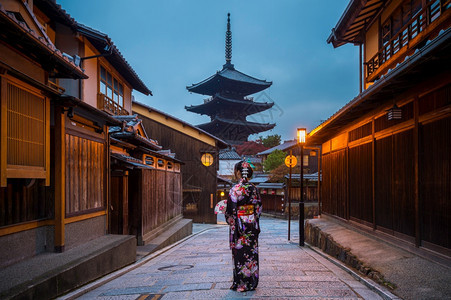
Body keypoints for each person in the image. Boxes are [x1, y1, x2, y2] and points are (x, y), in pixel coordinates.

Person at [225, 160, 262, 292]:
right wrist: (252, 220)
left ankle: (240, 283)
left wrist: (231, 220)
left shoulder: (234, 189)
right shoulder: (254, 189)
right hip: (251, 225)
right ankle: (251, 281)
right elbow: (258, 209)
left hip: (239, 227)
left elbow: (230, 212)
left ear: (239, 172)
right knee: (251, 253)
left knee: (240, 254)